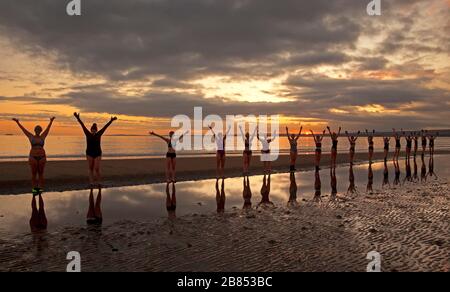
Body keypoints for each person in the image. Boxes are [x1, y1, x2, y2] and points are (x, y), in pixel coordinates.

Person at [13, 117, 55, 194]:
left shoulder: (43, 136)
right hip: (33, 158)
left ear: (40, 131)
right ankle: (35, 190)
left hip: (42, 157)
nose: (38, 131)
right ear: (34, 130)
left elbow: (48, 129)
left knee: (41, 174)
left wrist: (51, 121)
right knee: (34, 174)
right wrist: (18, 122)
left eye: (39, 130)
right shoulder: (31, 137)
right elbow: (24, 130)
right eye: (37, 130)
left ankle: (40, 189)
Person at [74, 113, 117, 187]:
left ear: (96, 130)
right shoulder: (87, 134)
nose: (93, 131)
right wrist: (77, 117)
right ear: (91, 130)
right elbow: (82, 125)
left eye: (95, 130)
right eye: (92, 130)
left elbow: (105, 127)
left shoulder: (99, 134)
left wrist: (111, 121)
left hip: (97, 153)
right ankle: (91, 183)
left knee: (96, 168)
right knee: (90, 168)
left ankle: (99, 182)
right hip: (89, 153)